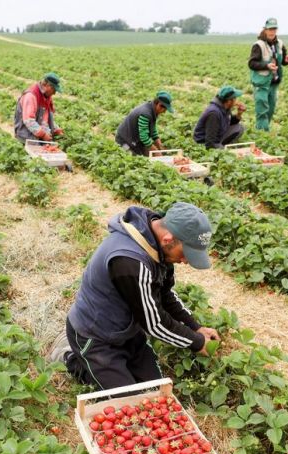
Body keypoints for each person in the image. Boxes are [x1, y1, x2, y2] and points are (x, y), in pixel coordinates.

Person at [49, 202, 221, 390]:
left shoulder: (158, 247)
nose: (185, 260)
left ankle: (113, 368)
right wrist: (196, 343)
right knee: (127, 400)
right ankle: (70, 357)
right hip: (95, 335)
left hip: (126, 331)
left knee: (154, 391)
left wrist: (196, 327)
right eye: (186, 253)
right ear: (168, 238)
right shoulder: (129, 261)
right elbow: (154, 324)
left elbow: (165, 295)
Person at [248, 17, 288, 131]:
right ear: (265, 30)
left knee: (270, 109)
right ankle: (262, 134)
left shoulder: (280, 44)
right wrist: (266, 65)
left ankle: (263, 130)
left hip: (273, 83)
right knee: (262, 110)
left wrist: (287, 60)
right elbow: (252, 63)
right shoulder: (259, 45)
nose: (272, 31)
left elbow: (282, 61)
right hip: (261, 83)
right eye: (270, 29)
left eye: (274, 29)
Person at [115, 91, 174, 156]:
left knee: (148, 155)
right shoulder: (145, 114)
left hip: (135, 140)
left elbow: (153, 131)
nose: (164, 112)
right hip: (124, 141)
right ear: (159, 105)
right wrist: (156, 152)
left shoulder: (153, 109)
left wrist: (160, 146)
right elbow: (144, 137)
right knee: (135, 160)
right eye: (164, 109)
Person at [14, 72, 64, 142]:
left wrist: (56, 129)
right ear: (47, 85)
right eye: (54, 90)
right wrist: (43, 135)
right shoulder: (31, 96)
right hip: (25, 137)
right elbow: (29, 121)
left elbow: (44, 119)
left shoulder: (46, 97)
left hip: (36, 137)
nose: (54, 93)